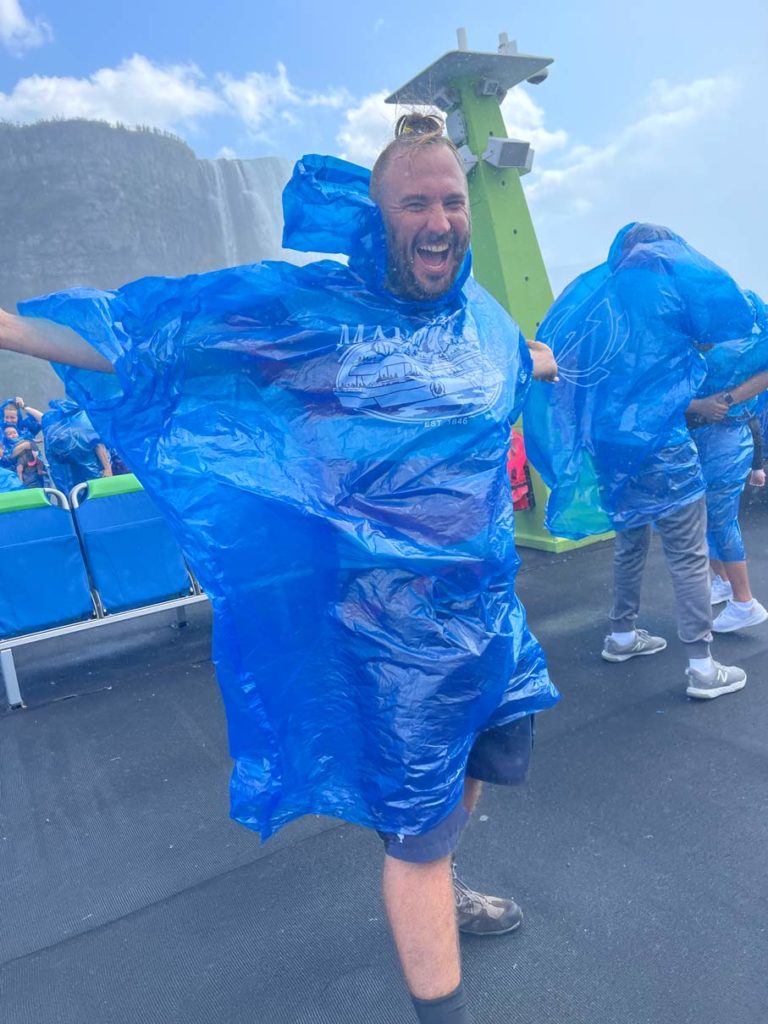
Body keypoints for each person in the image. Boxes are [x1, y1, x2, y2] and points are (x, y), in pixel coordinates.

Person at [0, 115, 560, 1024]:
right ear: (377, 218)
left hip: (489, 626)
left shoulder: (484, 320)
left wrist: (542, 359)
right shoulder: (314, 316)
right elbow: (155, 340)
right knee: (413, 835)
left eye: (451, 199)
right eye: (415, 201)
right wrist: (16, 331)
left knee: (468, 778)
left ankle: (445, 872)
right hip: (386, 639)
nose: (441, 217)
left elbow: (513, 369)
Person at [525, 223, 755, 701]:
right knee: (688, 554)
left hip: (611, 447)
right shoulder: (669, 290)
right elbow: (723, 328)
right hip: (663, 445)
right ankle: (701, 666)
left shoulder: (590, 296)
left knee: (629, 542)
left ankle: (623, 635)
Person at [687, 362, 768, 632]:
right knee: (706, 520)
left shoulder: (742, 347)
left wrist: (722, 401)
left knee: (720, 521)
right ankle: (724, 582)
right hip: (712, 441)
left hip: (724, 445)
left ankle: (744, 602)